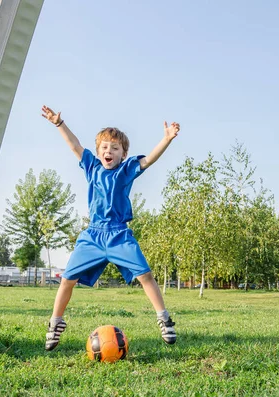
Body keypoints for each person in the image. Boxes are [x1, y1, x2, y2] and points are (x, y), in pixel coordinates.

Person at [40, 105, 179, 351]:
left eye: (115, 148)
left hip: (118, 234)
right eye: (104, 147)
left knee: (145, 275)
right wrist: (59, 124)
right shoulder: (92, 167)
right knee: (67, 279)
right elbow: (74, 146)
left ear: (123, 154)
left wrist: (166, 138)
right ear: (98, 152)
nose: (109, 151)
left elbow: (149, 159)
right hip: (93, 235)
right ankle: (55, 323)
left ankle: (164, 318)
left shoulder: (126, 171)